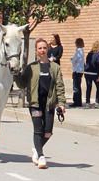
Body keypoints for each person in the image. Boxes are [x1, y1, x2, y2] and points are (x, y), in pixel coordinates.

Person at [15, 39, 66, 169]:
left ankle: (36, 149)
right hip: (35, 103)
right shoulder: (31, 67)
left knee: (48, 132)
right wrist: (16, 74)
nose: (42, 50)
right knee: (38, 130)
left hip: (49, 103)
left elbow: (59, 86)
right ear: (36, 51)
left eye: (44, 48)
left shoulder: (55, 67)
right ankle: (41, 156)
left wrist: (61, 103)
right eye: (39, 48)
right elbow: (22, 84)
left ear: (47, 49)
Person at [84, 41, 99, 106]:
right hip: (94, 73)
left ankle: (87, 102)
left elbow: (87, 62)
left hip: (87, 72)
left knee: (88, 87)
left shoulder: (89, 53)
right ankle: (97, 102)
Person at [69, 37, 84, 108]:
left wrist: (72, 59)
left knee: (76, 87)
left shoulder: (78, 51)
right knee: (78, 86)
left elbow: (74, 60)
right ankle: (79, 101)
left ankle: (76, 102)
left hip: (77, 71)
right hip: (80, 70)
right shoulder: (82, 51)